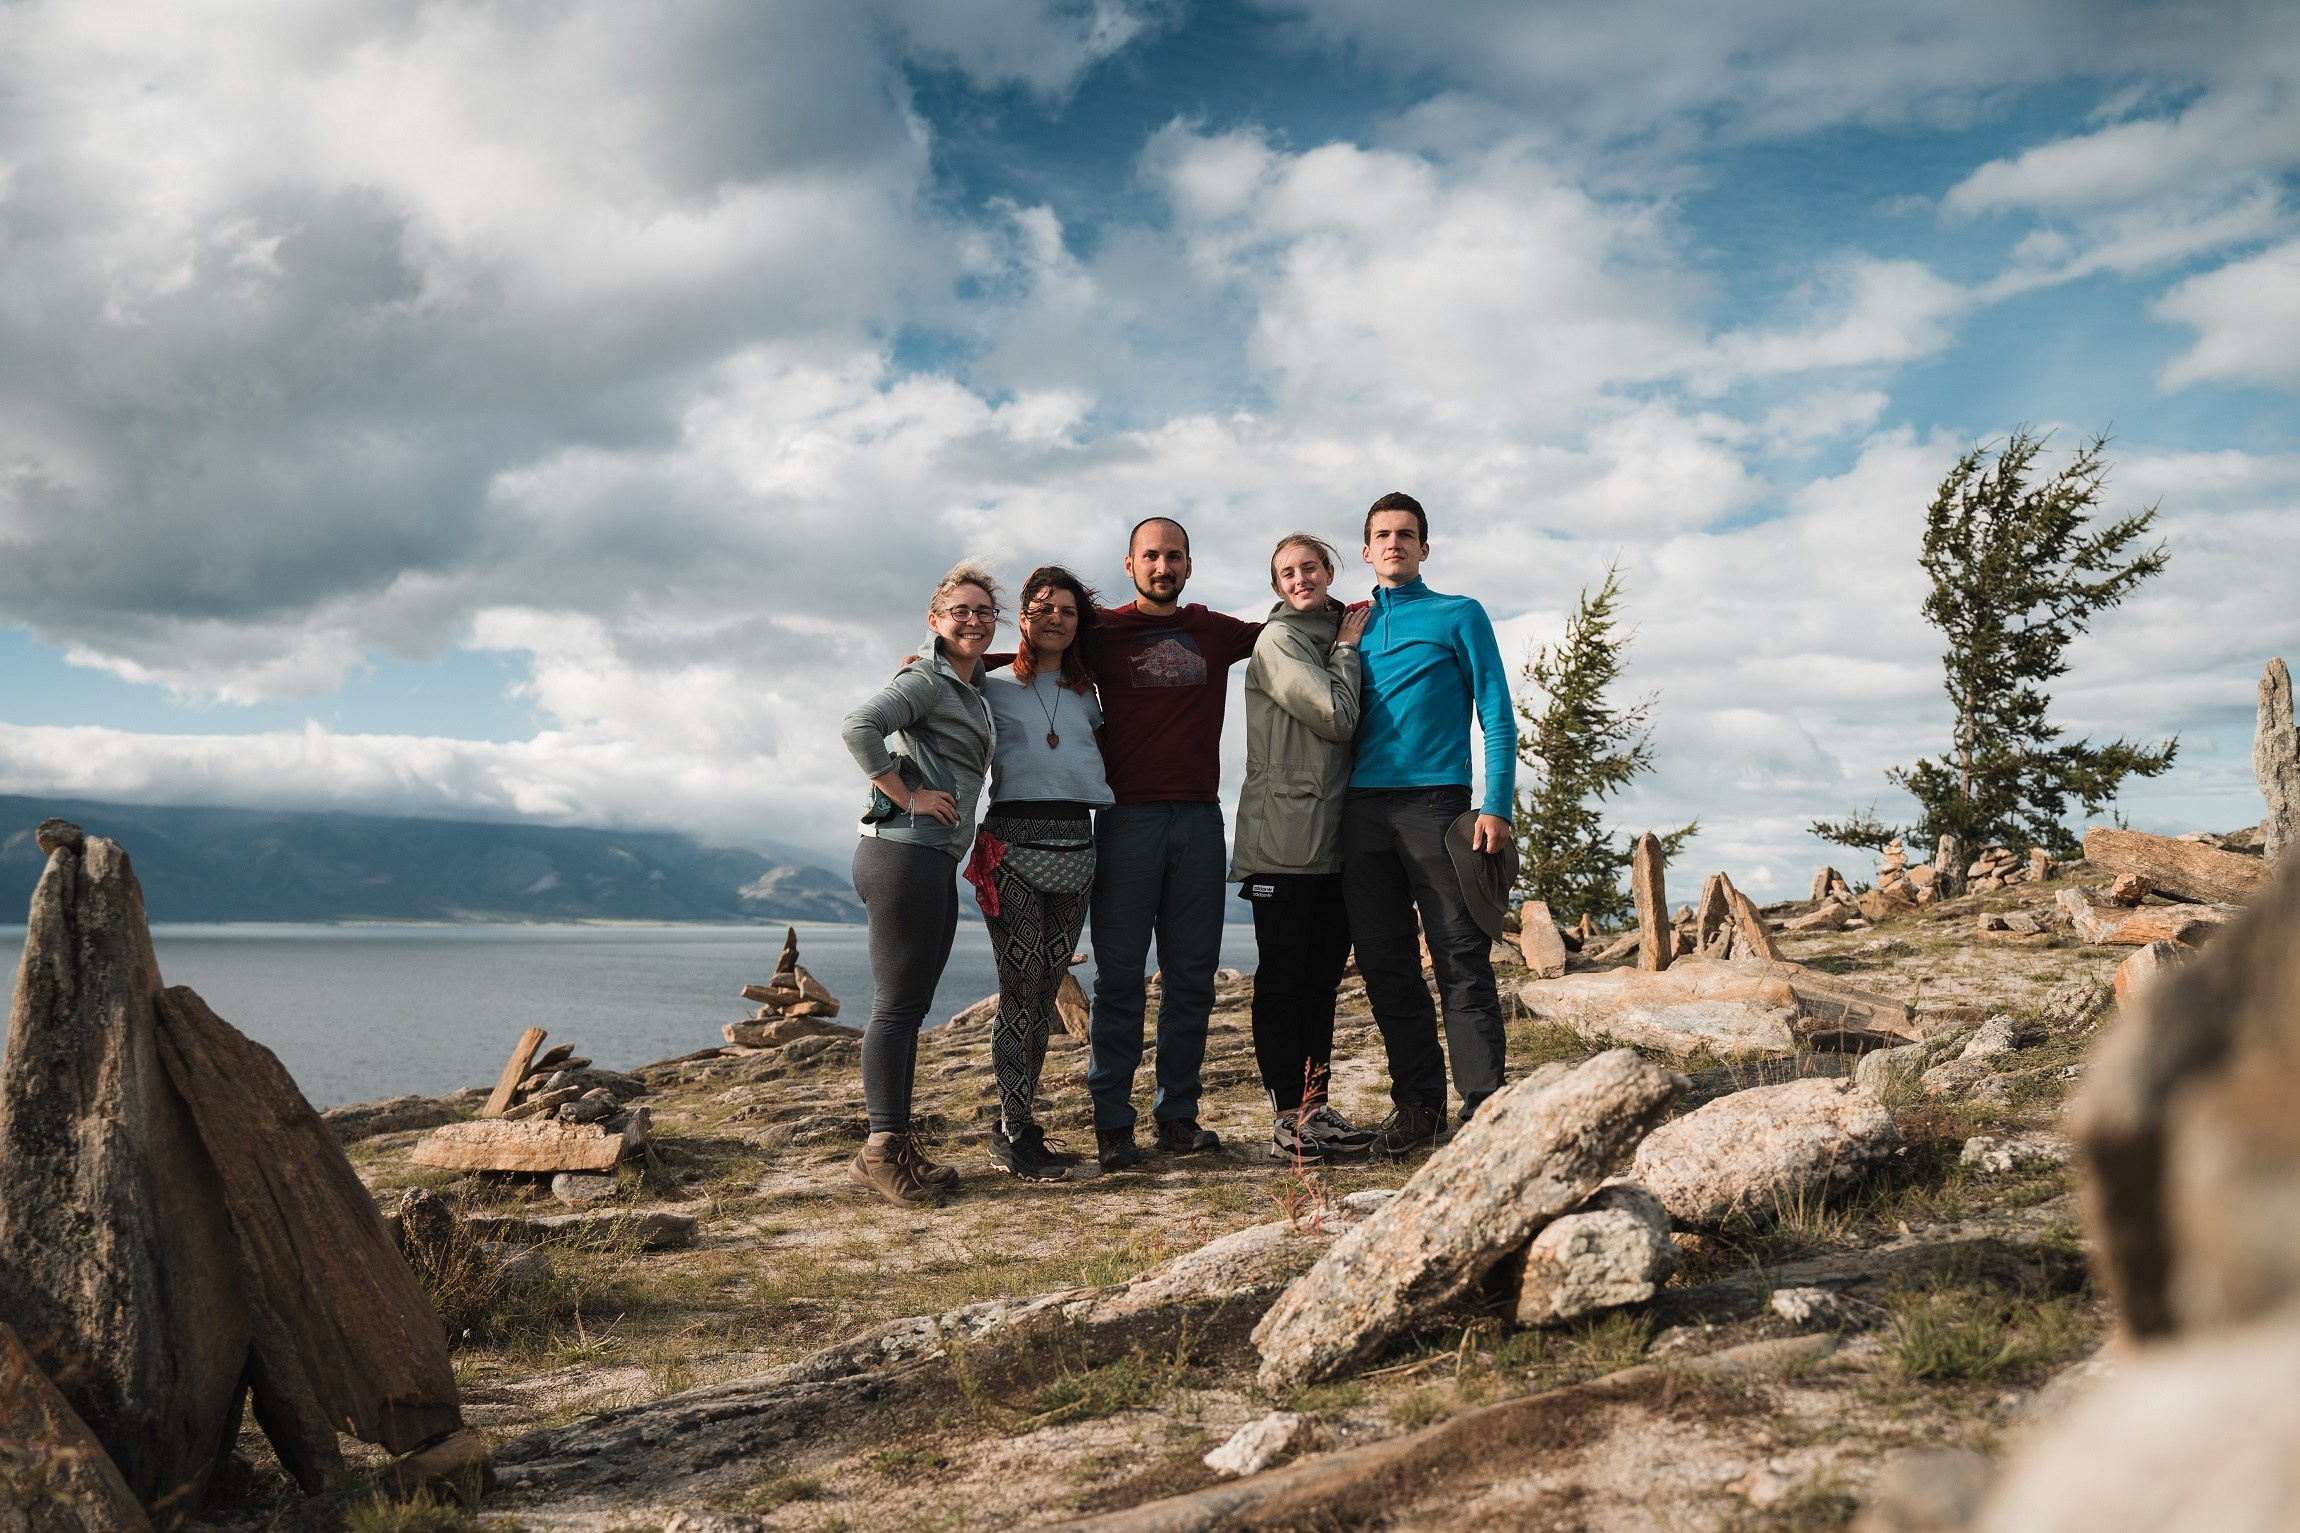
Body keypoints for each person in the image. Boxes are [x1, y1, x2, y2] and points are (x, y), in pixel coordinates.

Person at [1081, 517, 1261, 1172]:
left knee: (1191, 979)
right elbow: (1029, 661)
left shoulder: (1213, 631)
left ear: (1189, 564)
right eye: (1151, 555)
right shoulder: (1100, 633)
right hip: (1126, 822)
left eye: (1174, 555)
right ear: (1130, 565)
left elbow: (1298, 623)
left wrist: (1371, 600)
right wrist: (948, 662)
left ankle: (1177, 1118)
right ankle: (1112, 1125)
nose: (1163, 565)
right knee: (1120, 978)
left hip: (1199, 823)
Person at [1342, 492, 1518, 1157]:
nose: (1394, 543)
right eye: (1382, 535)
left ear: (1424, 548)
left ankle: (1483, 1109)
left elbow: (1497, 713)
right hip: (1360, 814)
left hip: (1438, 809)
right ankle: (1418, 1108)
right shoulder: (1349, 624)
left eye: (1406, 534)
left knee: (1462, 962)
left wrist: (1496, 803)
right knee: (1387, 967)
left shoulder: (1459, 614)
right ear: (1366, 550)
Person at [838, 564, 1000, 1206]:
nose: (973, 620)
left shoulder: (968, 683)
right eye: (959, 610)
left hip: (929, 860)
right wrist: (906, 795)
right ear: (934, 621)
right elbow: (858, 727)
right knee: (896, 1008)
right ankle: (881, 1149)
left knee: (909, 1008)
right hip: (902, 855)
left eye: (985, 612)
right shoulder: (926, 680)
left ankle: (895, 1143)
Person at [1232, 533, 1375, 1164]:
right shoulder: (1282, 641)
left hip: (1333, 837)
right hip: (1282, 842)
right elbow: (1337, 718)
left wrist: (1346, 640)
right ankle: (1288, 1115)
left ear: (1328, 570)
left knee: (1321, 983)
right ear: (1276, 585)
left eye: (1309, 568)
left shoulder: (1341, 626)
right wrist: (1347, 651)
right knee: (1284, 980)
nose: (1300, 580)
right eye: (1287, 573)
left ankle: (1315, 1108)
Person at [969, 565, 1109, 1183]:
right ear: (1022, 616)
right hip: (1012, 847)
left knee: (1049, 982)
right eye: (1043, 607)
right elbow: (935, 676)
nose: (1056, 617)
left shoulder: (1091, 692)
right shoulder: (988, 686)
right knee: (1021, 985)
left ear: (1080, 624)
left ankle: (1025, 1126)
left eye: (1068, 611)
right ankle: (1012, 1126)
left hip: (1077, 846)